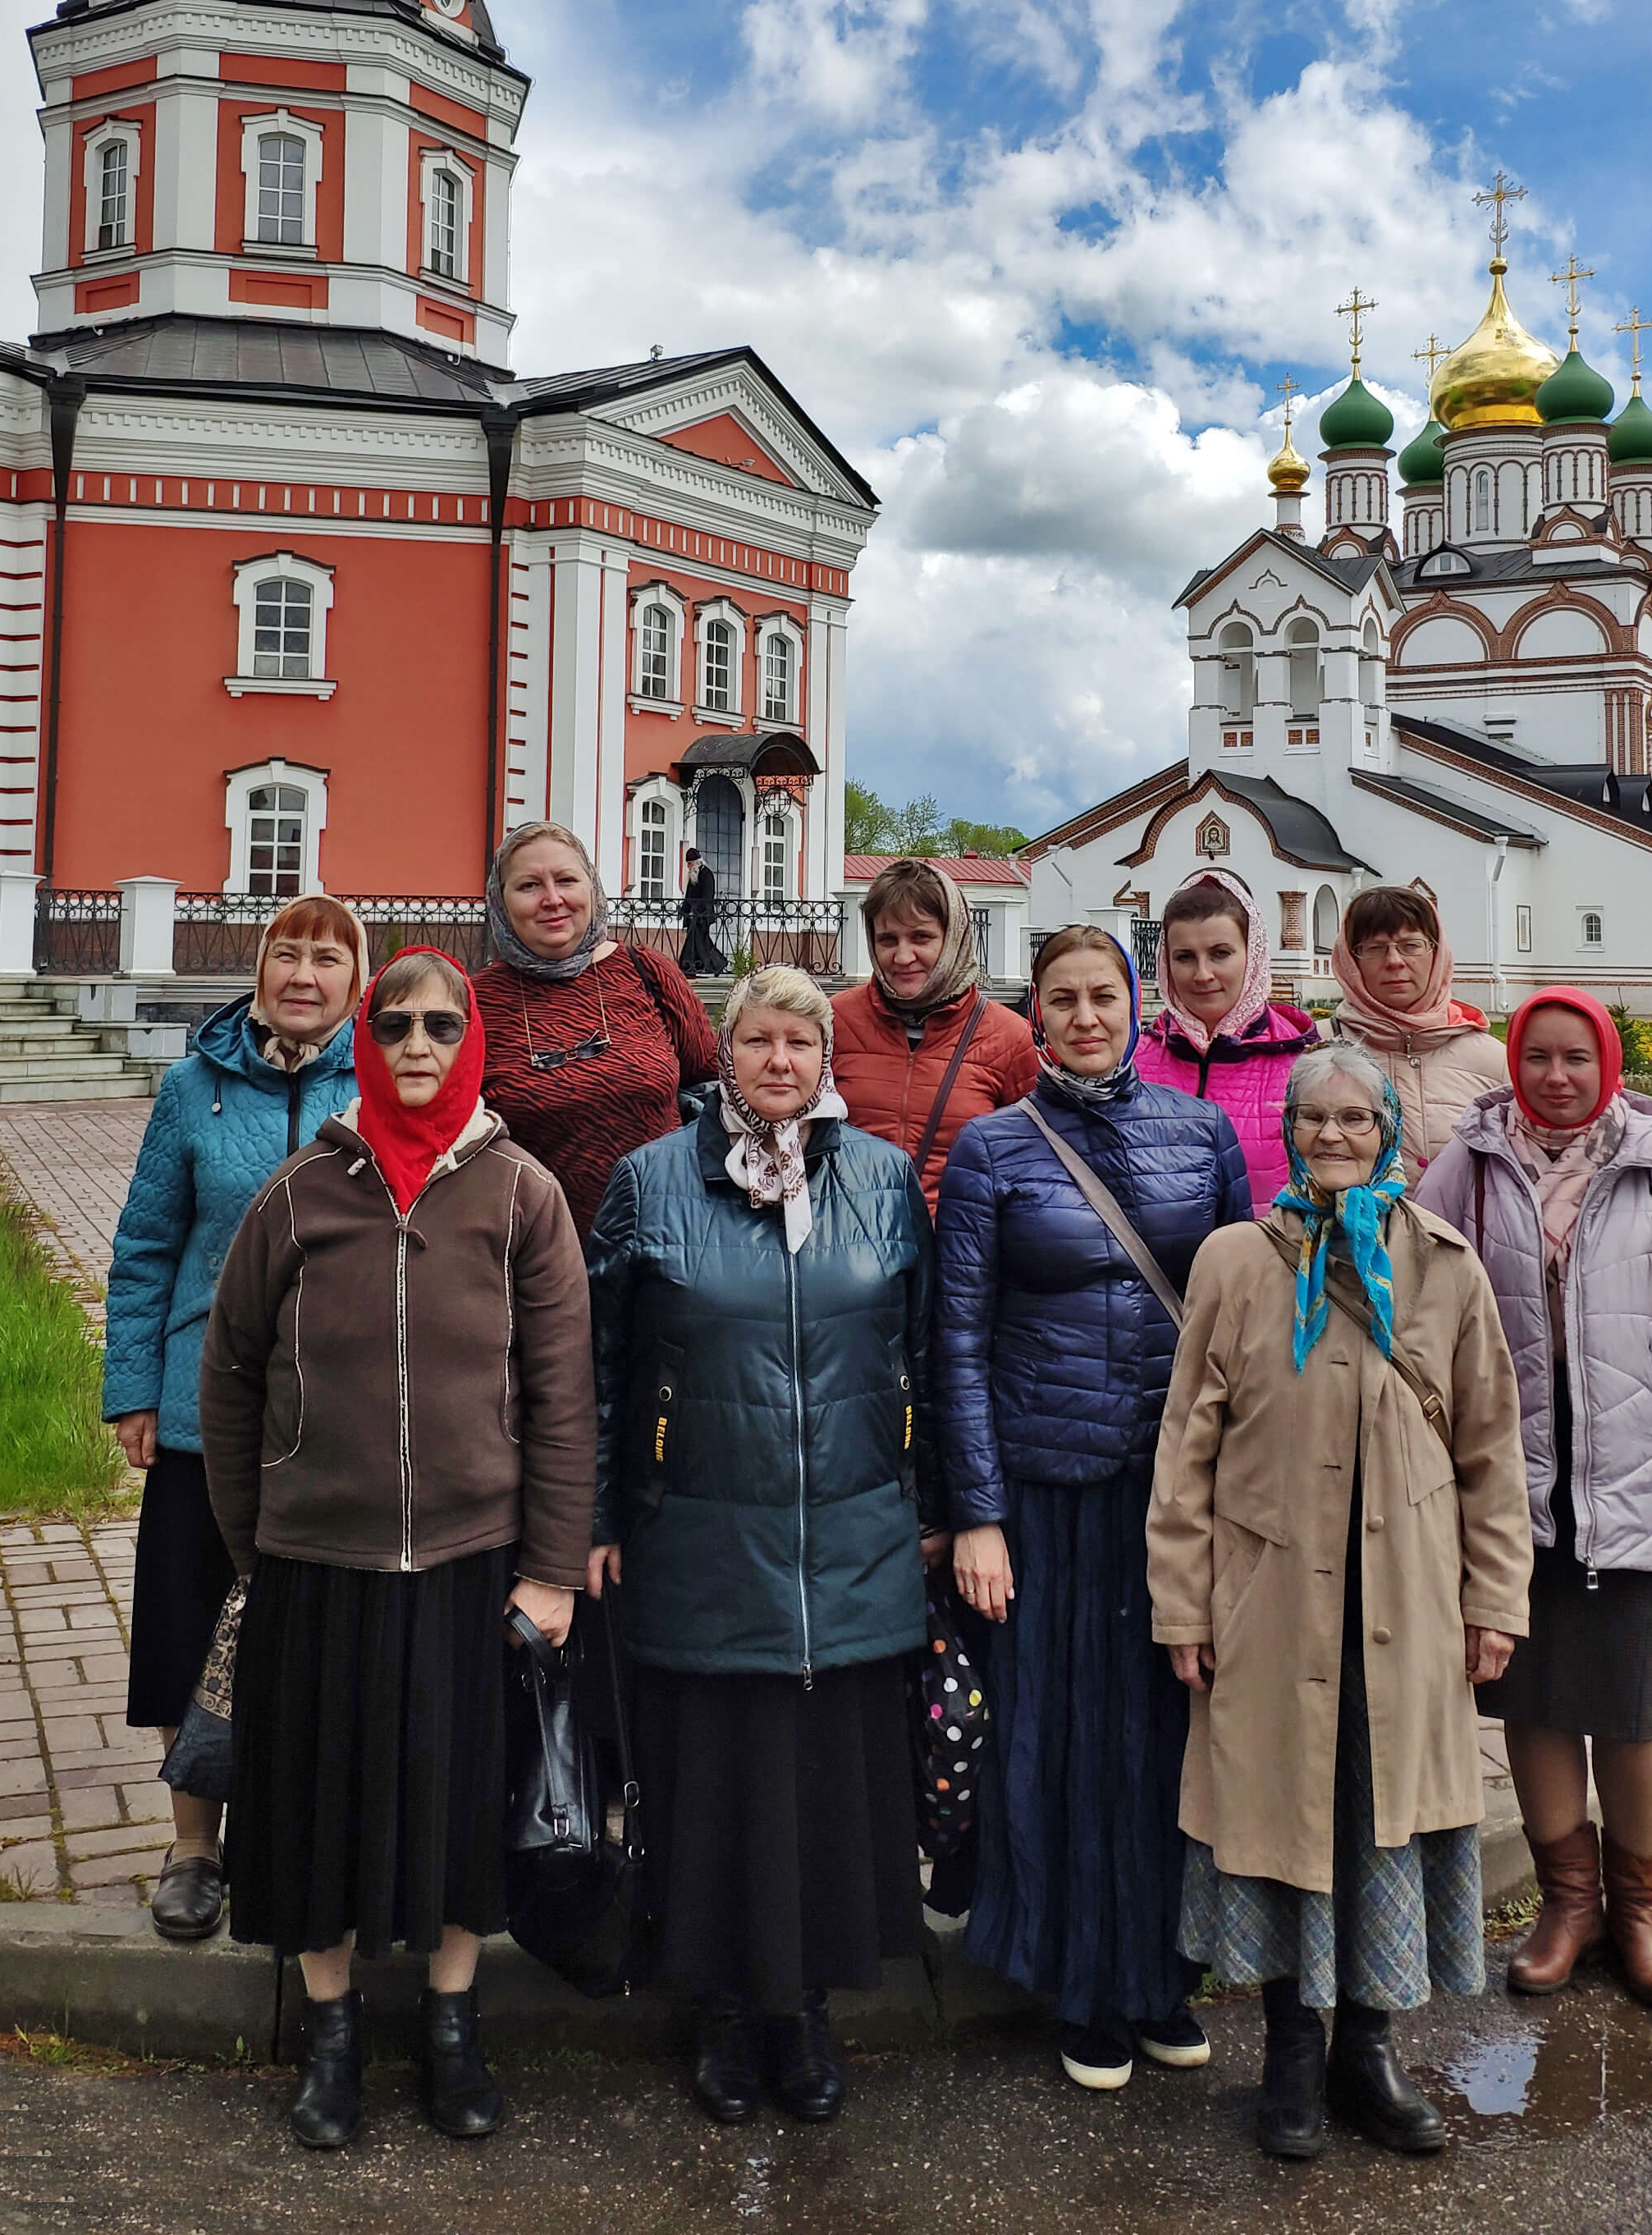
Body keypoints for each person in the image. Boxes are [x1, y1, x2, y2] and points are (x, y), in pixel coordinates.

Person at [200, 950, 595, 2152]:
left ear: (468, 1036)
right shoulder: (302, 1189)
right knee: (318, 1797)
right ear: (367, 1039)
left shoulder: (523, 1190)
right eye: (396, 1024)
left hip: (475, 1553)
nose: (418, 1042)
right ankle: (329, 2037)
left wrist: (551, 1564)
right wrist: (258, 1539)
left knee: (457, 1799)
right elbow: (228, 1375)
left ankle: (452, 2020)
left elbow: (564, 1391)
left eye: (440, 1023)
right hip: (318, 1553)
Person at [1148, 1044, 1532, 2165]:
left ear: (1391, 1130)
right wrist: (1183, 1605)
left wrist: (1494, 1596)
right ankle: (1288, 2054)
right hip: (1269, 1602)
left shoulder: (1445, 1267)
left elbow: (1490, 1449)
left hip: (1404, 1604)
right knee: (1284, 1823)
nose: (1331, 1136)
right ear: (1290, 1133)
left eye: (1356, 1119)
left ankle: (1368, 2049)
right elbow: (1188, 1447)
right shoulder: (1235, 1260)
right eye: (1313, 1118)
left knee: (1379, 1819)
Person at [586, 965, 939, 2130]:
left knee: (831, 1794)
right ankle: (729, 2013)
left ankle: (807, 2013)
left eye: (800, 1040)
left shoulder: (883, 1180)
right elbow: (598, 1366)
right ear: (723, 1054)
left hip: (850, 1533)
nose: (780, 1061)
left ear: (824, 1056)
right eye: (758, 1041)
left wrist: (927, 1500)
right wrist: (594, 1516)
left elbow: (925, 1355)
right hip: (700, 1533)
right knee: (720, 1788)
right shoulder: (652, 1181)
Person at [936, 924, 1247, 2093]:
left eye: (1103, 995)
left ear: (1137, 1002)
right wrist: (975, 1511)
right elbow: (957, 1338)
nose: (1083, 1016)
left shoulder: (1201, 1131)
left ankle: (1159, 1968)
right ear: (1038, 1012)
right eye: (1060, 998)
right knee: (1058, 1731)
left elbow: (1236, 1314)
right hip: (1046, 1484)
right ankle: (1078, 1979)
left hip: (1167, 1489)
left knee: (1167, 1734)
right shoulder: (993, 1150)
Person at [1420, 989, 1652, 2013]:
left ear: (1608, 1064)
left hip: (1637, 1478)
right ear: (1513, 1062)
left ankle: (1640, 1911)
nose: (1555, 1077)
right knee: (1533, 1694)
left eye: (1576, 1058)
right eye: (1538, 1058)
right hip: (1513, 1481)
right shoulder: (1467, 1165)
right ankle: (1569, 1906)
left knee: (1638, 1706)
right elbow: (1418, 1301)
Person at [102, 895, 367, 1942]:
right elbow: (145, 1242)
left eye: (328, 958)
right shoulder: (191, 1089)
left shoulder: (381, 1085)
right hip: (201, 1405)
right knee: (189, 1617)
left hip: (332, 1411)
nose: (304, 975)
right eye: (287, 955)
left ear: (357, 980)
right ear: (260, 971)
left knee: (310, 1628)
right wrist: (131, 1387)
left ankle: (292, 1832)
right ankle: (194, 1846)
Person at [475, 821, 718, 1248]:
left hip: (671, 1245)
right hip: (533, 1259)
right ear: (501, 901)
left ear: (591, 886)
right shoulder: (475, 1005)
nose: (553, 900)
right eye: (529, 886)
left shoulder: (647, 972)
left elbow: (713, 1081)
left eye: (567, 880)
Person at [831, 857, 1037, 1211]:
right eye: (887, 939)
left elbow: (1029, 1163)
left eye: (921, 937)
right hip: (852, 1244)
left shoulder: (1009, 1036)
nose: (903, 956)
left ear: (953, 936)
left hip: (957, 1248)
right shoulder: (834, 1021)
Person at [1136, 867, 1317, 1212]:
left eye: (1220, 953)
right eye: (1185, 957)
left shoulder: (1303, 1066)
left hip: (1270, 1263)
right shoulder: (1135, 1063)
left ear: (1252, 956)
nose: (1203, 974)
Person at [1328, 886, 1508, 1181]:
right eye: (1375, 948)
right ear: (1351, 960)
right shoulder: (1317, 1050)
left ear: (1437, 954)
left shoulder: (1493, 1060)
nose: (1395, 961)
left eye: (1411, 945)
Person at [676, 846, 726, 976]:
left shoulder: (706, 874)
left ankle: (690, 966)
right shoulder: (694, 875)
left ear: (697, 862)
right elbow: (689, 896)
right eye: (688, 864)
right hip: (695, 916)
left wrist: (697, 910)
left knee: (699, 941)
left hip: (703, 915)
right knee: (700, 942)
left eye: (690, 863)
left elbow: (707, 896)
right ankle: (699, 966)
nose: (688, 866)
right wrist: (684, 911)